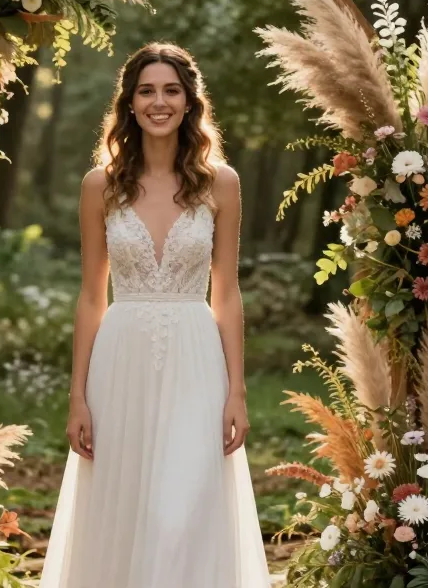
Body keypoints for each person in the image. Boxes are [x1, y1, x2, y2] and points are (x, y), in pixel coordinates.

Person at [39, 42, 271, 587]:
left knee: (182, 507)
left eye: (171, 90)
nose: (159, 102)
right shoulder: (101, 185)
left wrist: (236, 389)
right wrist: (78, 397)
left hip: (195, 357)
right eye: (147, 91)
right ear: (129, 103)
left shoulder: (222, 183)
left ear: (190, 102)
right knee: (125, 501)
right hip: (121, 359)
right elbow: (92, 296)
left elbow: (227, 292)